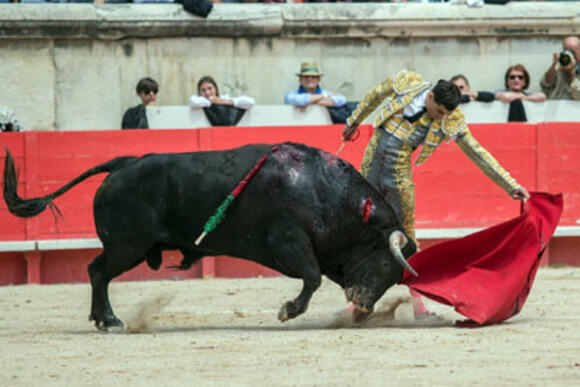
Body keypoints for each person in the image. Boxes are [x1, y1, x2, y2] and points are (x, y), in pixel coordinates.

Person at [341, 70, 530, 316]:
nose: (440, 117)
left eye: (445, 114)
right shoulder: (407, 83)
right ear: (429, 97)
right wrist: (353, 122)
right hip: (370, 168)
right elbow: (375, 95)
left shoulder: (450, 118)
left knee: (407, 238)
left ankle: (418, 304)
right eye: (438, 111)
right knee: (361, 231)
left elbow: (476, 152)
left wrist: (510, 185)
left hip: (398, 174)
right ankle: (357, 299)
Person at [540, 36, 580, 101]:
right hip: (556, 107)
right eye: (566, 50)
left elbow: (578, 95)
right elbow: (545, 84)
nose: (569, 54)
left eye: (572, 51)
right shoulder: (559, 66)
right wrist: (553, 65)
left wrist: (570, 74)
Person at [189, 76, 255, 110]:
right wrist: (212, 101)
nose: (207, 92)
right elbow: (194, 102)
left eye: (210, 88)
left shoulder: (224, 98)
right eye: (203, 90)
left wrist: (222, 101)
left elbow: (250, 102)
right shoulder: (197, 99)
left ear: (216, 89)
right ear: (199, 92)